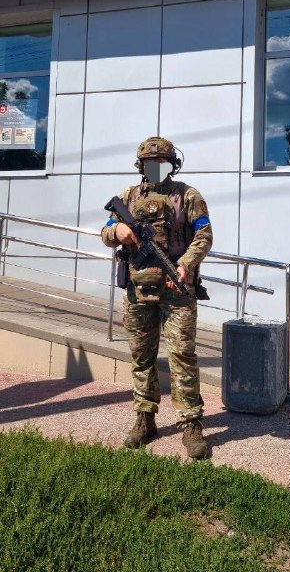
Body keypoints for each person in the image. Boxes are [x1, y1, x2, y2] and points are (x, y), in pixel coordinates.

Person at [101, 136, 213, 459]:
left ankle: (191, 423)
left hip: (176, 290)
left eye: (161, 164)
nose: (155, 169)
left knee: (182, 355)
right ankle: (145, 418)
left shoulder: (187, 196)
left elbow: (204, 235)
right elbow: (107, 230)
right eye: (150, 165)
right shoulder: (129, 196)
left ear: (172, 166)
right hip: (138, 290)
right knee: (141, 356)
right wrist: (117, 231)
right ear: (141, 167)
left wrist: (185, 264)